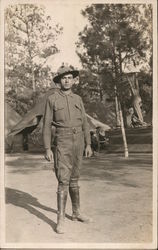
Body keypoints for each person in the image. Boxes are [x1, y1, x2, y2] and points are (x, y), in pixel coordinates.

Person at [42, 64, 92, 234]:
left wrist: (88, 143)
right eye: (64, 78)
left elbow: (85, 122)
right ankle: (61, 219)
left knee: (75, 178)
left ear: (74, 80)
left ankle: (76, 212)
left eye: (70, 78)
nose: (67, 80)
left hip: (78, 140)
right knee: (63, 180)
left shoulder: (78, 99)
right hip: (62, 141)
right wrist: (48, 148)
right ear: (59, 81)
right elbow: (47, 125)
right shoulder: (52, 99)